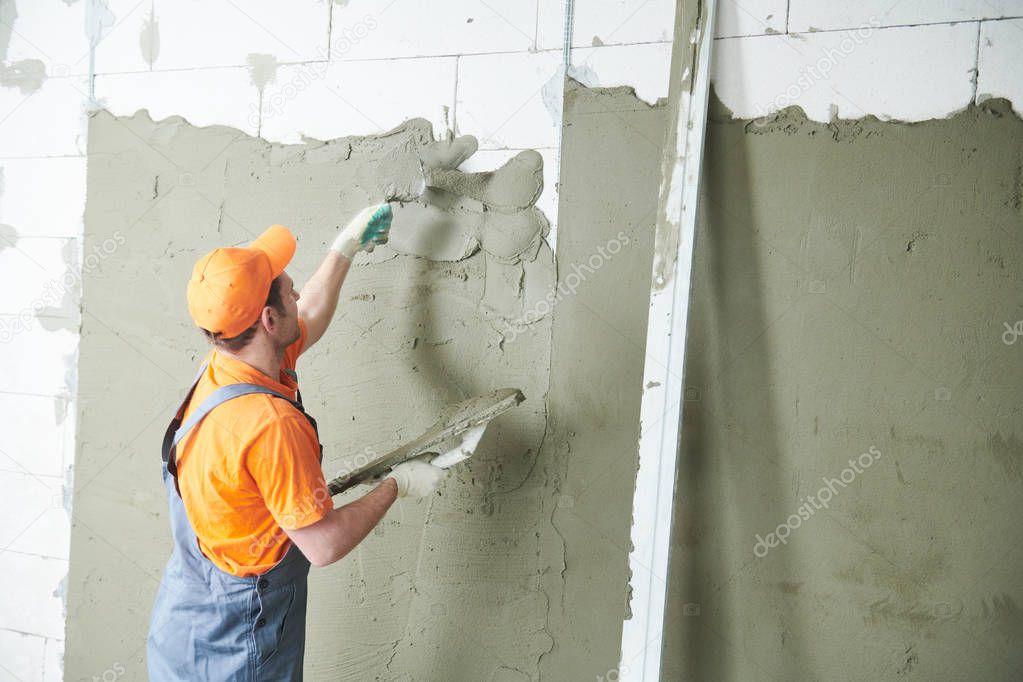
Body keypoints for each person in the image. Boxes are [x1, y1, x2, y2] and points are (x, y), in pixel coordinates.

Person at [147, 205, 452, 680]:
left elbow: (306, 313)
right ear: (268, 319)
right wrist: (399, 484)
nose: (295, 288)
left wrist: (345, 247)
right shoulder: (270, 424)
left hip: (184, 626)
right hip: (241, 642)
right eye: (288, 286)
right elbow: (323, 544)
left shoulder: (226, 369)